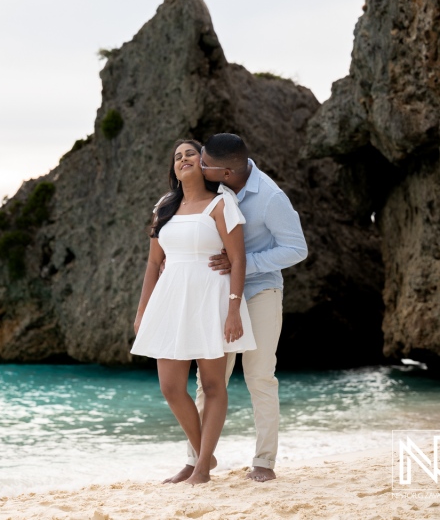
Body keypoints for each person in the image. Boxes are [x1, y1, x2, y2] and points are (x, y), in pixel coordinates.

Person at [163, 133, 308, 484]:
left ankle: (263, 461)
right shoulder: (212, 192)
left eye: (205, 163)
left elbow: (297, 248)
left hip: (260, 291)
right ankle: (198, 459)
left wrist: (244, 263)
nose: (198, 165)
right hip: (216, 294)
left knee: (259, 376)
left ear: (225, 172)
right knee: (208, 381)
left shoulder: (271, 198)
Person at [131, 139, 256, 485]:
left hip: (211, 298)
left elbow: (239, 259)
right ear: (174, 168)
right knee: (171, 387)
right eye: (177, 156)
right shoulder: (164, 207)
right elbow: (154, 264)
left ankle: (201, 470)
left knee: (214, 385)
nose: (183, 159)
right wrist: (143, 310)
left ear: (202, 164)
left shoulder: (221, 203)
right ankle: (206, 455)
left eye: (190, 154)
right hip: (171, 301)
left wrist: (233, 310)